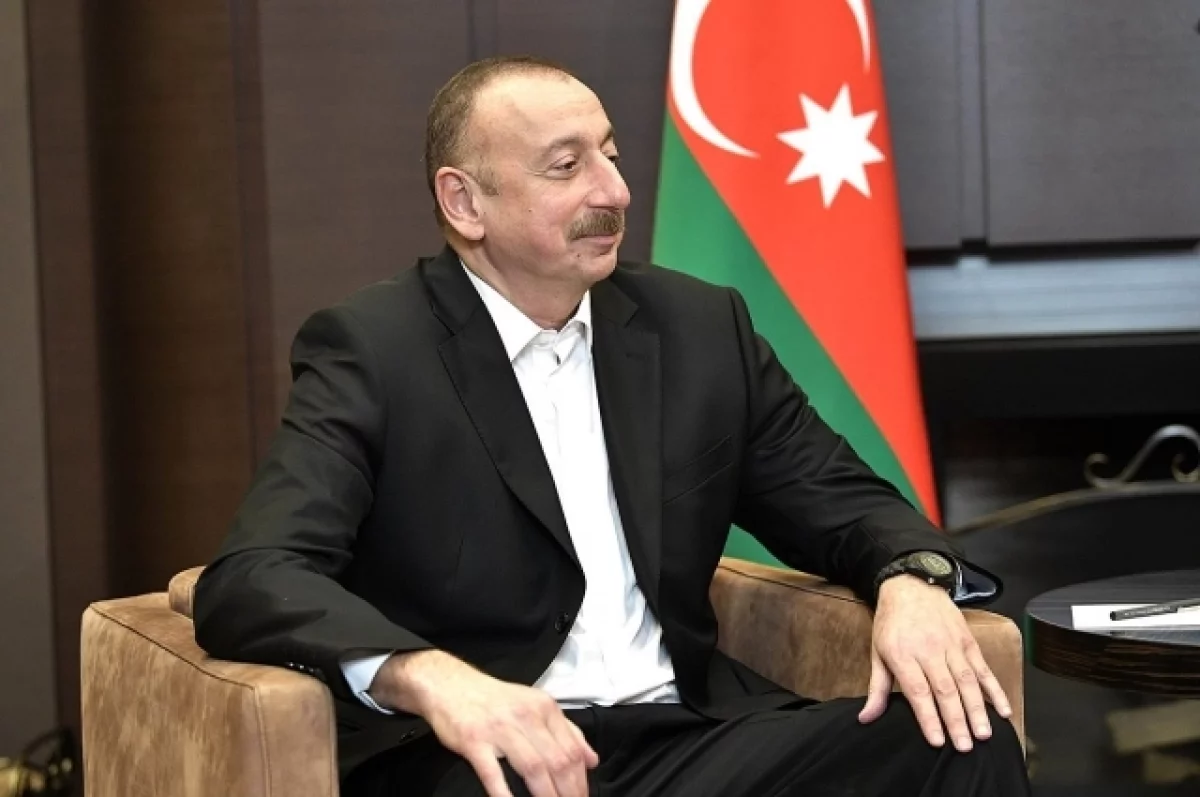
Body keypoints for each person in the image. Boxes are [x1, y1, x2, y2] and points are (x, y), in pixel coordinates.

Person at [193, 56, 1031, 797]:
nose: (614, 191)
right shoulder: (375, 350)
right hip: (487, 759)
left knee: (962, 742)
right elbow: (254, 575)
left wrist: (910, 581)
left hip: (690, 735)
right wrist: (437, 680)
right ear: (464, 201)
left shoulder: (697, 328)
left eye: (611, 155)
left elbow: (842, 498)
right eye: (568, 166)